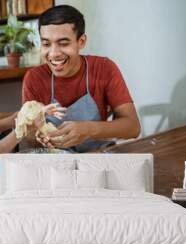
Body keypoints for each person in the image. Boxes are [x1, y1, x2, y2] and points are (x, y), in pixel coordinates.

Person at [22, 5, 141, 152]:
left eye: (63, 43)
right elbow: (30, 137)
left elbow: (133, 127)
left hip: (98, 155)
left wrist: (88, 129)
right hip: (56, 161)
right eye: (46, 44)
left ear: (81, 42)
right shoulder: (33, 78)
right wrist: (38, 134)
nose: (53, 54)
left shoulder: (104, 68)